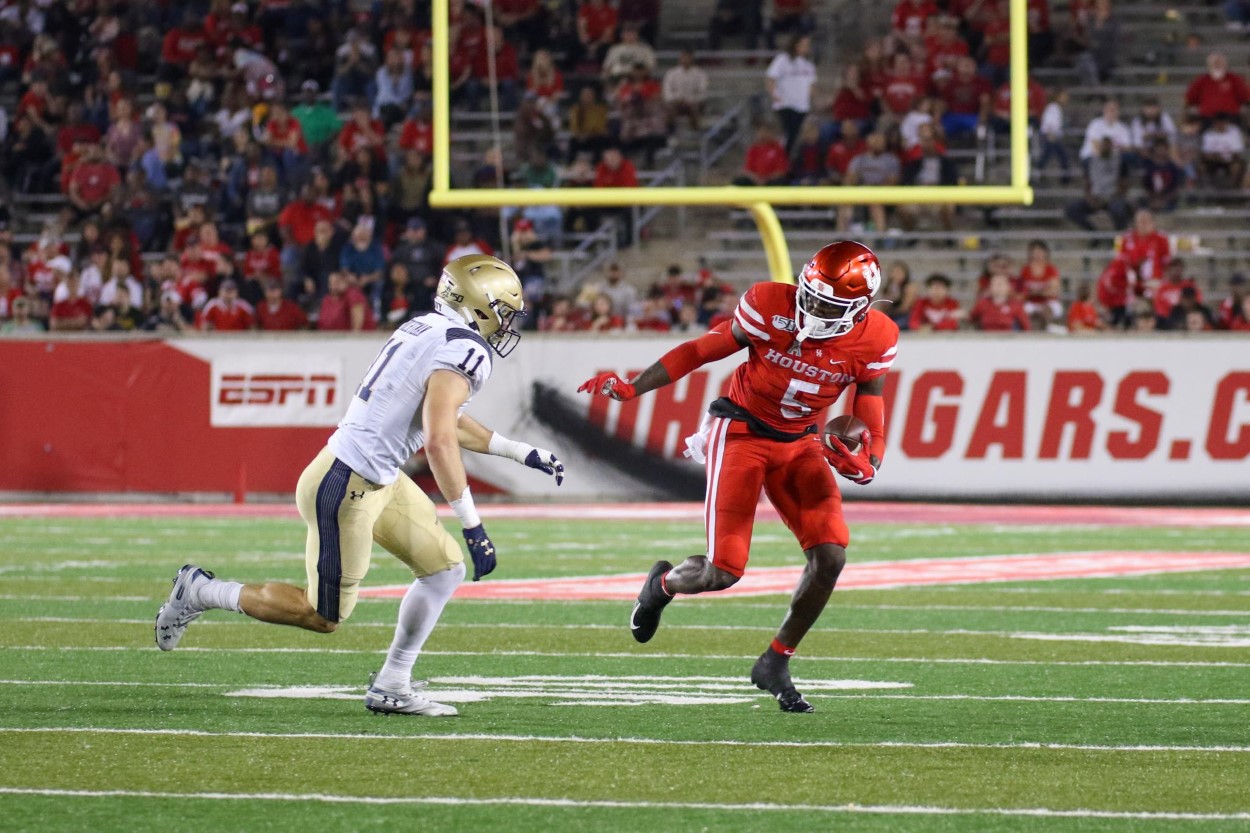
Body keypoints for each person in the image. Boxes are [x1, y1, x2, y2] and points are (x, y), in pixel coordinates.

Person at [155, 255, 566, 718]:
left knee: (443, 571)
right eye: (505, 310)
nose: (507, 323)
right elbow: (438, 438)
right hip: (346, 483)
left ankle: (393, 683)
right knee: (322, 616)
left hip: (375, 478)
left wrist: (518, 451)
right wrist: (472, 523)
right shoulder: (464, 347)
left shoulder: (428, 328)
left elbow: (440, 417)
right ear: (480, 304)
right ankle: (201, 591)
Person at [579, 242, 898, 712]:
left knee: (831, 555)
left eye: (826, 304)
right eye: (809, 294)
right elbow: (701, 348)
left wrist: (872, 458)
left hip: (801, 442)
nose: (810, 308)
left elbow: (869, 401)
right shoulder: (771, 302)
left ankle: (776, 660)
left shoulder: (877, 337)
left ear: (857, 308)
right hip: (742, 431)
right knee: (722, 571)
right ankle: (662, 585)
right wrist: (633, 387)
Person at [766, 35, 816, 154]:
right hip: (785, 103)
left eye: (807, 45)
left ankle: (788, 161)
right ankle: (782, 158)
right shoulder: (783, 59)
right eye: (803, 44)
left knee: (796, 136)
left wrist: (811, 99)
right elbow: (771, 78)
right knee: (788, 133)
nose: (806, 47)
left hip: (802, 106)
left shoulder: (808, 65)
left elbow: (811, 84)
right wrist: (774, 94)